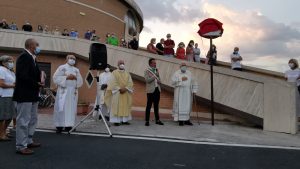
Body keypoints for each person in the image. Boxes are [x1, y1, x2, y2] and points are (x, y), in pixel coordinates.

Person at [13, 38, 42, 155]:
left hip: (32, 94)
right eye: (37, 45)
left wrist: (39, 81)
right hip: (24, 94)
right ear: (31, 46)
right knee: (23, 121)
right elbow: (22, 75)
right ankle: (21, 146)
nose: (39, 47)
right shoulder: (24, 57)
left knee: (32, 119)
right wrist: (36, 83)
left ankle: (29, 140)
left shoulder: (33, 58)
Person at [53, 55, 83, 133]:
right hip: (63, 91)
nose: (72, 60)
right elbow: (55, 78)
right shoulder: (62, 67)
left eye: (74, 59)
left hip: (73, 92)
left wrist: (75, 78)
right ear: (67, 59)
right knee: (61, 108)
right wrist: (66, 77)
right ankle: (59, 125)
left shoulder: (76, 70)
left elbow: (80, 81)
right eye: (71, 58)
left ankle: (69, 126)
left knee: (71, 109)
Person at [104, 60, 133, 126]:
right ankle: (116, 121)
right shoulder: (114, 72)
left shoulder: (127, 73)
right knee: (116, 106)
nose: (122, 64)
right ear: (118, 65)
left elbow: (130, 82)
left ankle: (124, 120)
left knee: (125, 106)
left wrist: (126, 88)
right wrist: (119, 89)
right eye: (120, 63)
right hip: (117, 92)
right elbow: (112, 82)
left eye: (123, 63)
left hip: (125, 92)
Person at [144, 58, 164, 126]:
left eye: (155, 63)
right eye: (154, 63)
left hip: (157, 89)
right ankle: (147, 120)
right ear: (150, 63)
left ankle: (157, 120)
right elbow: (147, 80)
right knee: (149, 106)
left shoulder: (156, 70)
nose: (155, 64)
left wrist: (159, 81)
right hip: (150, 90)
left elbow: (159, 80)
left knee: (156, 106)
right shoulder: (147, 70)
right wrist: (154, 76)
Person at [0, 55, 16, 141]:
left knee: (10, 116)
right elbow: (1, 84)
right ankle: (1, 134)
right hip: (4, 95)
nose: (12, 63)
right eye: (10, 61)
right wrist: (13, 86)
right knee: (2, 116)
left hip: (11, 95)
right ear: (3, 62)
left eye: (12, 61)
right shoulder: (1, 70)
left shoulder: (10, 71)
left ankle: (3, 131)